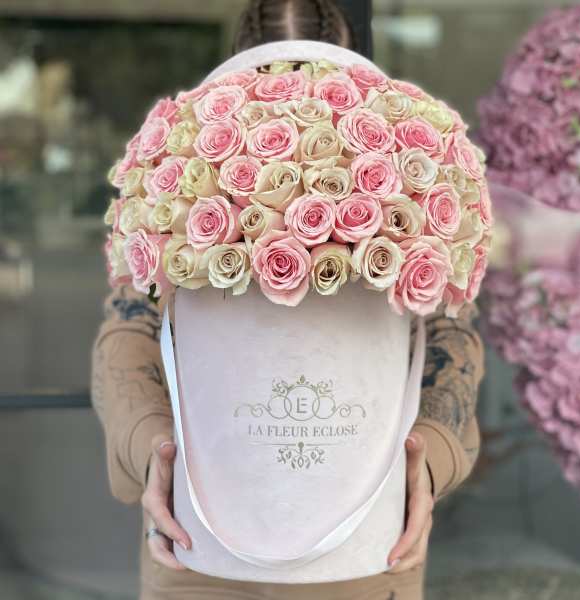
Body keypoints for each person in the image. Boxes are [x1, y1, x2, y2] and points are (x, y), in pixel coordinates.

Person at [91, 1, 484, 598]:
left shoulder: (403, 193)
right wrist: (156, 454)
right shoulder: (183, 197)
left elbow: (450, 332)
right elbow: (128, 333)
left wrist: (426, 463)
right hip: (197, 550)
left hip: (367, 547)